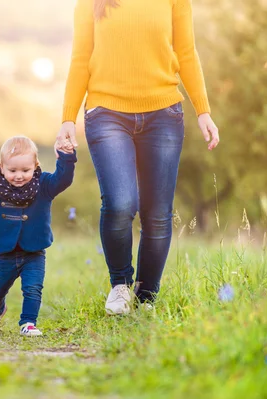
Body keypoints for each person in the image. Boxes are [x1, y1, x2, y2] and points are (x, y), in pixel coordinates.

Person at [56, 0, 220, 314]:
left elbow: (186, 52)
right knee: (120, 203)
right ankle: (120, 286)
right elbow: (80, 58)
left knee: (157, 214)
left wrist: (203, 110)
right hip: (106, 113)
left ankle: (146, 299)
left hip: (163, 115)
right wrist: (68, 117)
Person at [0, 136, 76, 336]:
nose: (18, 176)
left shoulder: (44, 185)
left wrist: (66, 157)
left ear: (35, 166)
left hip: (34, 252)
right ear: (1, 167)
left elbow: (63, 179)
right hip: (5, 253)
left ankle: (28, 323)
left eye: (25, 170)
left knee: (32, 289)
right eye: (12, 170)